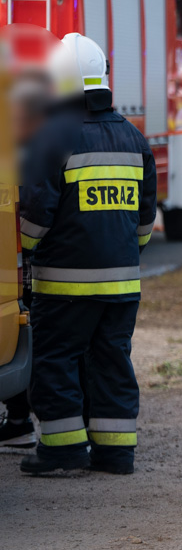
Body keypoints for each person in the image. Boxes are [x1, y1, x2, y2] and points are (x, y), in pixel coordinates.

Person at [18, 33, 157, 475]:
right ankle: (116, 454)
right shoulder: (133, 138)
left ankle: (62, 451)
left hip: (63, 282)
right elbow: (145, 220)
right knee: (113, 360)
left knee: (57, 360)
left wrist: (21, 251)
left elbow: (36, 213)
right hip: (123, 283)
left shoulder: (53, 135)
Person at [0, 70, 52, 450]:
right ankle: (20, 421)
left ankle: (20, 421)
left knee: (31, 340)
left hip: (24, 261)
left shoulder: (28, 144)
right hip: (22, 262)